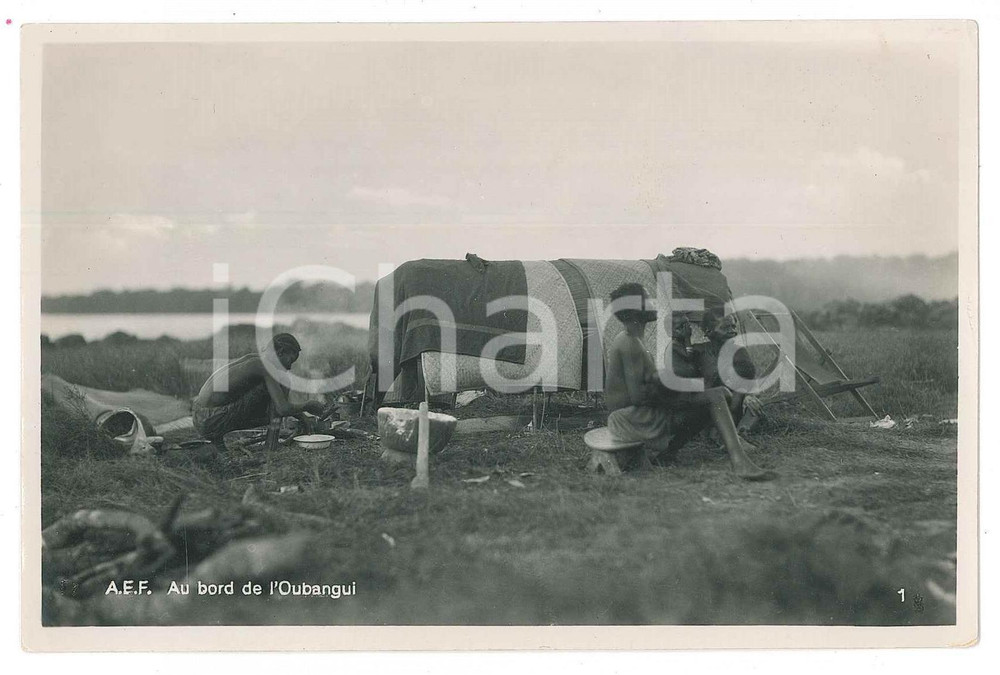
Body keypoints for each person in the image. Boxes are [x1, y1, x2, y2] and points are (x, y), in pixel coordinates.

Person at [603, 282, 773, 481]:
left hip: (642, 414)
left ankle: (670, 454)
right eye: (648, 300)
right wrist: (676, 389)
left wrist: (676, 386)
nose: (653, 303)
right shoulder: (629, 344)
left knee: (717, 395)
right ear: (635, 311)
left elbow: (647, 386)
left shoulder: (634, 341)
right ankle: (740, 462)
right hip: (630, 419)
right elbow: (639, 397)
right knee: (715, 396)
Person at [192, 333, 331, 447]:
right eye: (291, 361)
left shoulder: (254, 359)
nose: (290, 367)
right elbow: (282, 409)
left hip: (199, 415)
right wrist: (308, 405)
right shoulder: (265, 367)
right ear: (281, 352)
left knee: (277, 386)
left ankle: (218, 445)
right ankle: (270, 446)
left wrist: (302, 416)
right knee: (284, 383)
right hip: (211, 421)